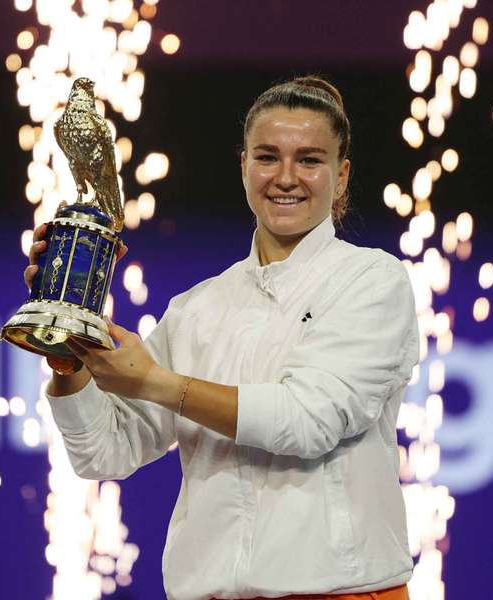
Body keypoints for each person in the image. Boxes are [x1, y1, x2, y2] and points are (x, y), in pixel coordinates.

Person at [25, 76, 420, 600]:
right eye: (266, 157)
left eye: (309, 159)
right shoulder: (196, 309)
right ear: (243, 167)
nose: (285, 177)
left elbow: (307, 420)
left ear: (341, 176)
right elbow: (106, 453)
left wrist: (159, 384)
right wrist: (69, 346)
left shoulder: (372, 281)